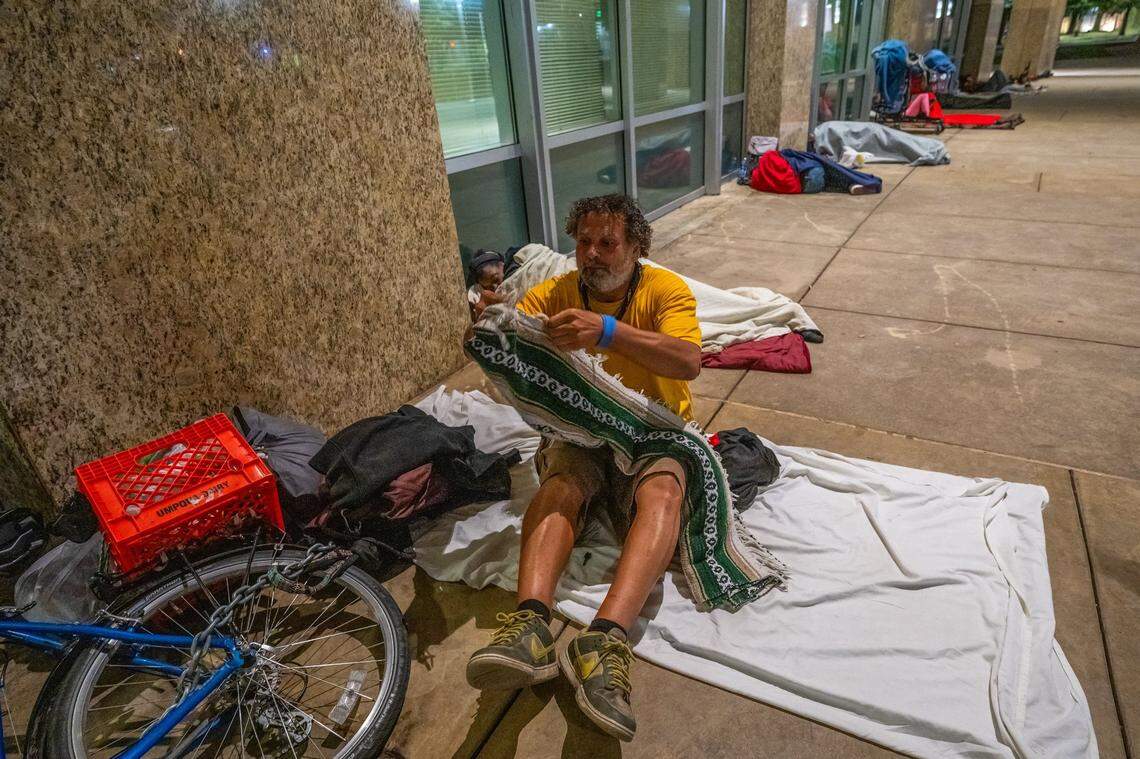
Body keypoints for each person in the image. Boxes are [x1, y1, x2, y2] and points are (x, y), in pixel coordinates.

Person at [465, 194, 701, 742]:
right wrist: (489, 325)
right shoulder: (556, 293)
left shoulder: (666, 291)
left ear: (637, 247)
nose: (592, 254)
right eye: (583, 242)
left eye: (607, 243)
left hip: (653, 429)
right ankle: (529, 624)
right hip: (582, 432)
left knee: (664, 491)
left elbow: (688, 361)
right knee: (563, 480)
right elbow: (512, 338)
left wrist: (608, 332)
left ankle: (605, 639)